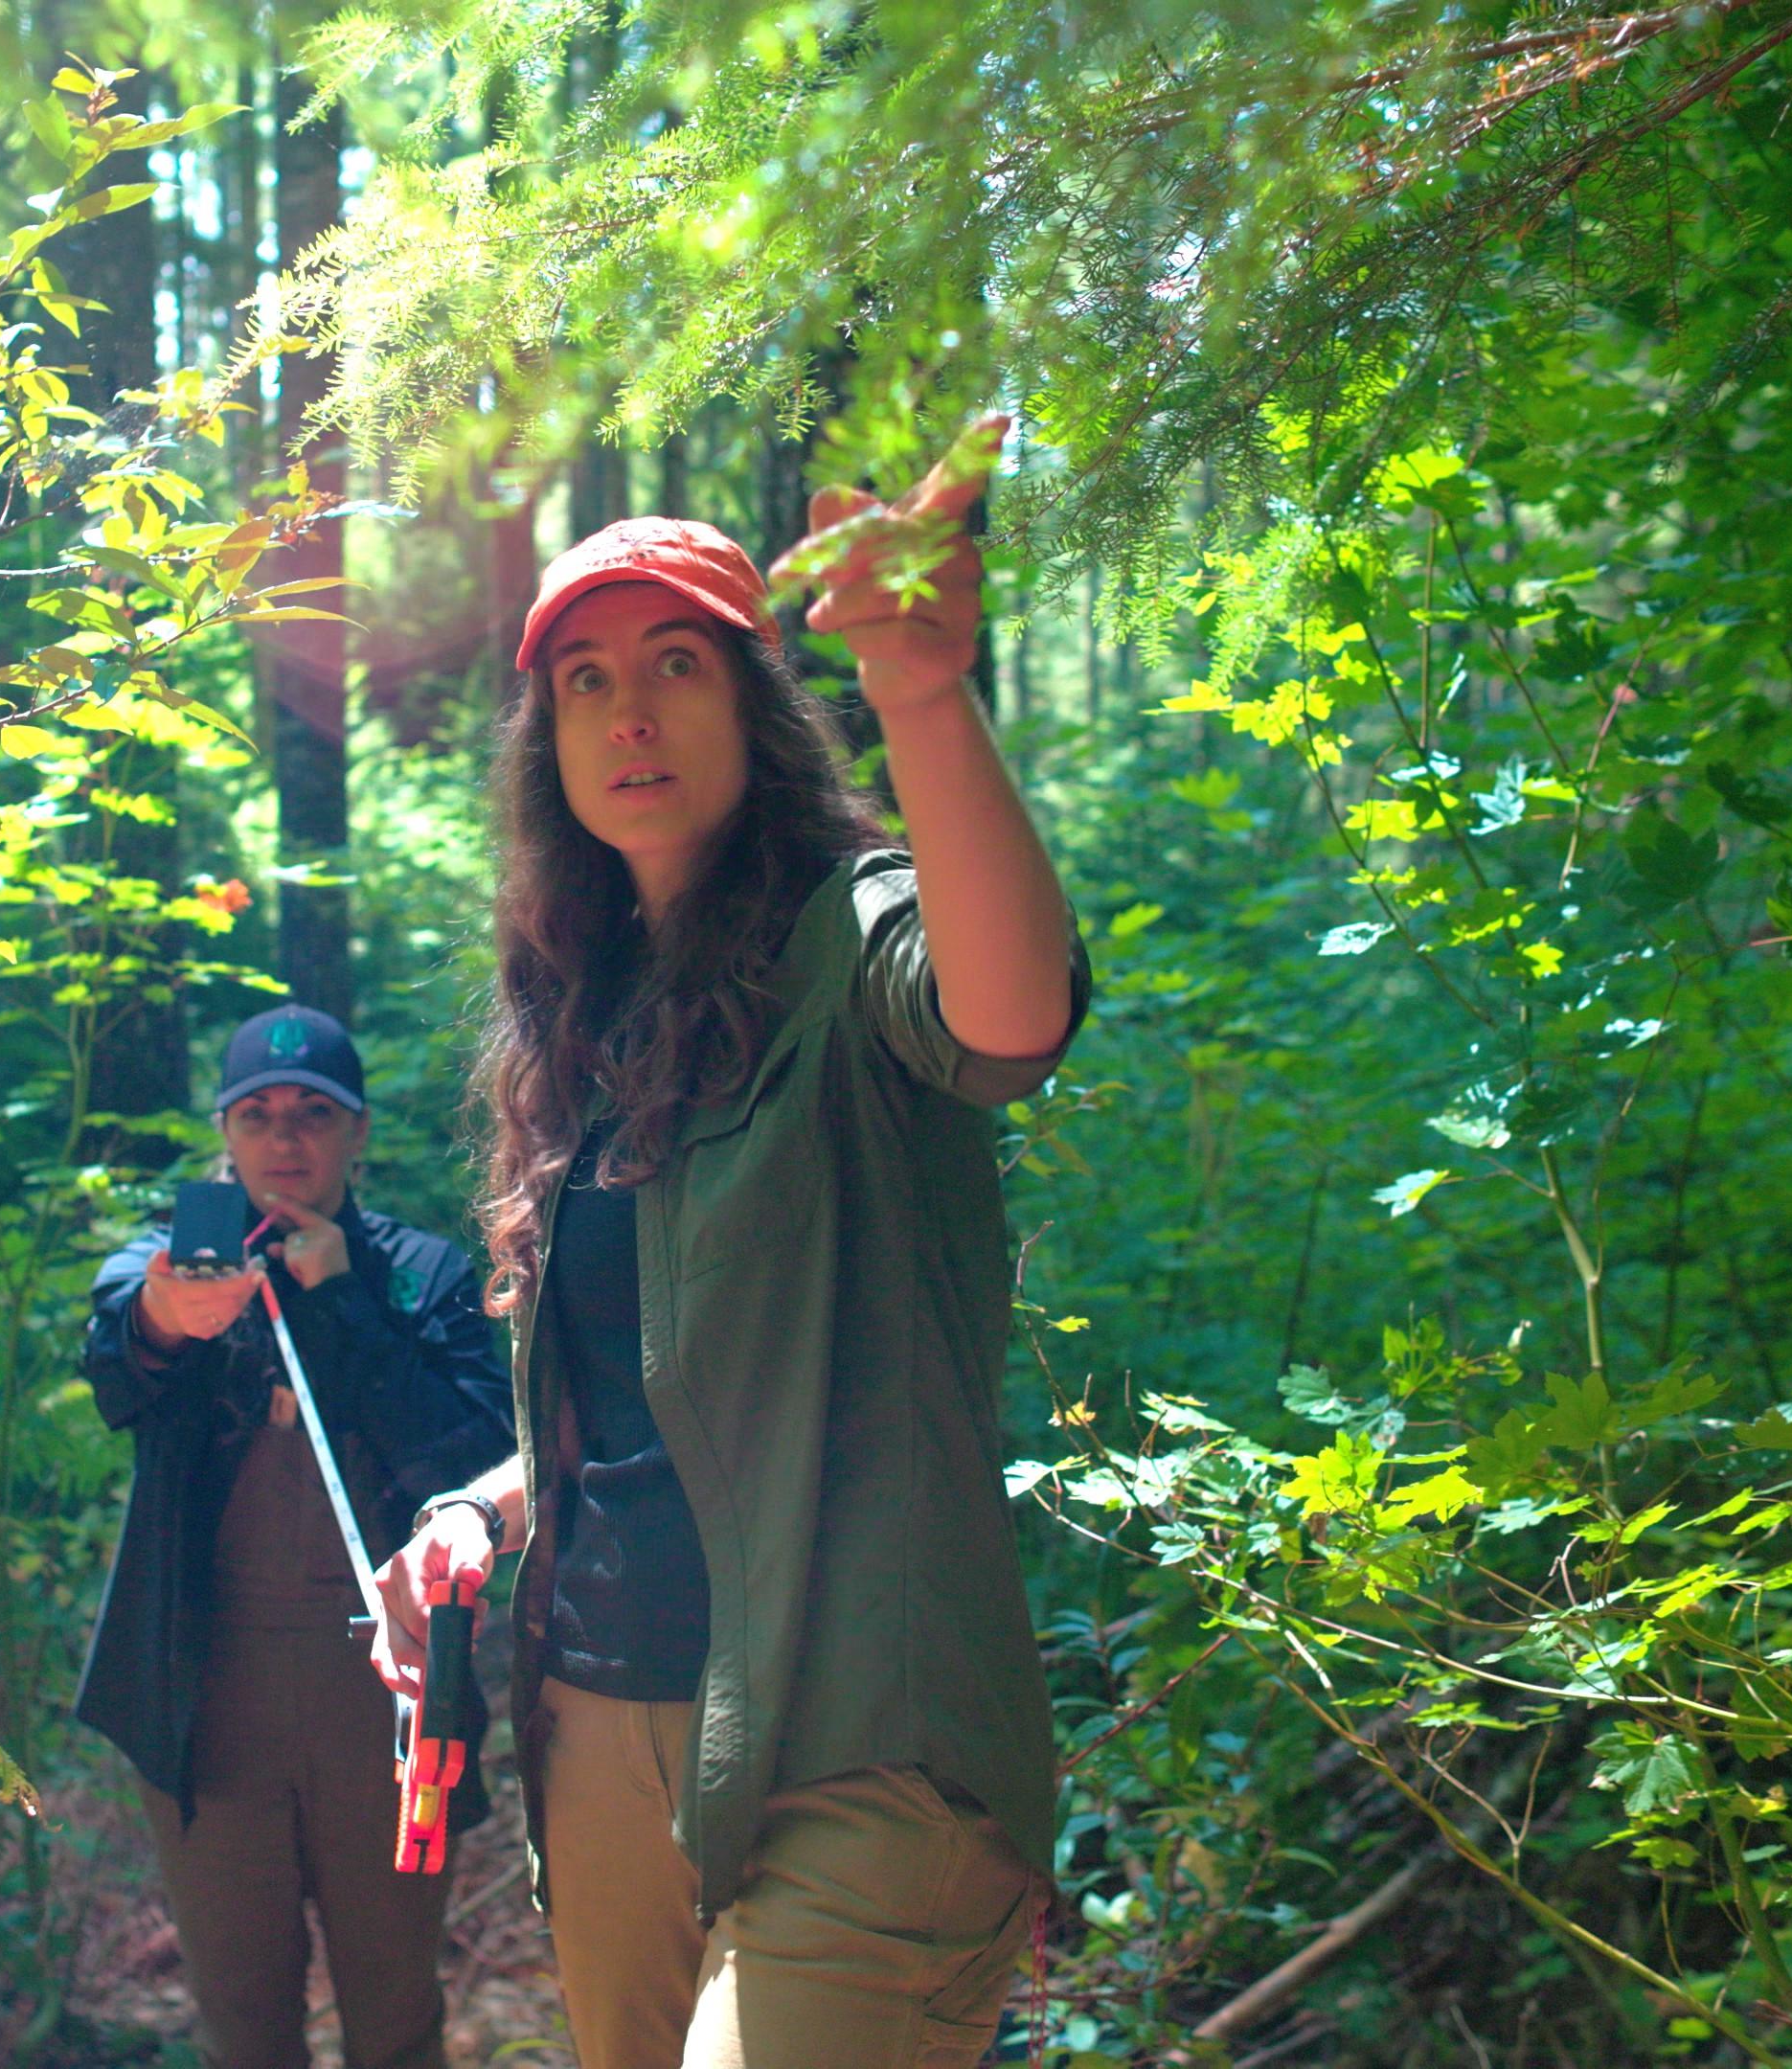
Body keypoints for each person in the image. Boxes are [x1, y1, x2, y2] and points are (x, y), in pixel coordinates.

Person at [367, 451, 1088, 2069]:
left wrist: (922, 694)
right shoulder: (582, 1021)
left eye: (677, 666)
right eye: (587, 681)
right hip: (603, 1739)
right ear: (547, 745)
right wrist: (476, 1512)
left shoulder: (856, 931)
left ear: (751, 708)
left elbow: (1009, 1011)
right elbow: (659, 1399)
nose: (630, 712)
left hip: (860, 1738)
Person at [76, 1005, 516, 2069]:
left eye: (314, 1114)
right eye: (257, 1114)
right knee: (241, 2019)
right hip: (211, 1687)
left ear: (356, 1131)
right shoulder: (175, 1261)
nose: (285, 1139)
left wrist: (342, 1307)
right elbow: (121, 1359)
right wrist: (175, 1313)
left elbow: (479, 1457)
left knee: (396, 2012)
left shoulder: (422, 1276)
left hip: (390, 1690)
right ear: (225, 1133)